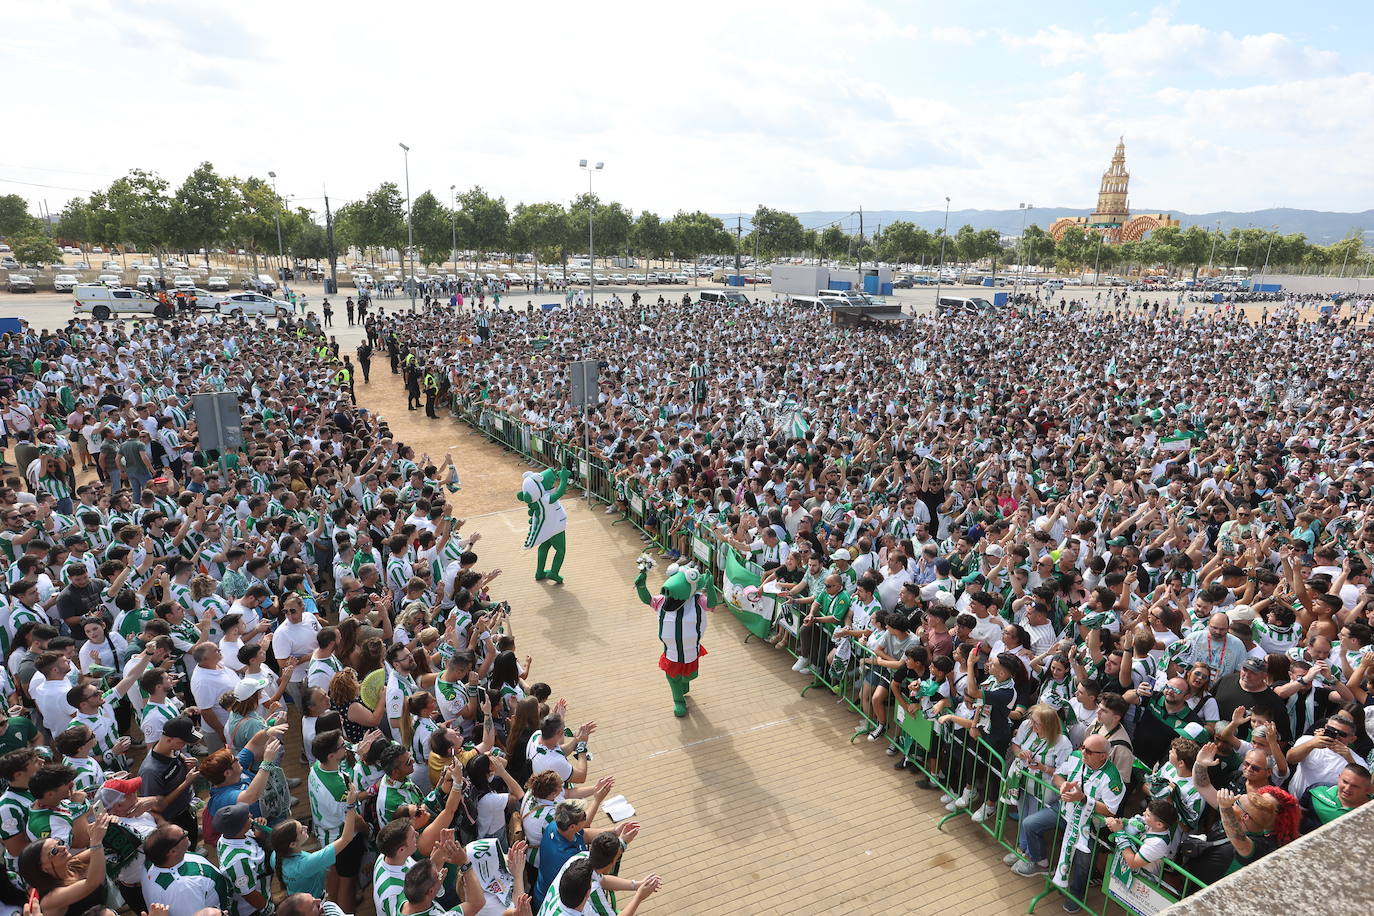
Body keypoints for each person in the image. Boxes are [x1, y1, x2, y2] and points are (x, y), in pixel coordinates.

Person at [1013, 734, 1126, 913]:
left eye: (1088, 751)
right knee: (1030, 824)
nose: (1083, 752)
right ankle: (1040, 861)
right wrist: (1063, 785)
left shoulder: (1112, 778)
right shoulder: (1075, 757)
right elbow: (1058, 775)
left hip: (1089, 825)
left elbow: (1111, 810)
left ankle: (1076, 894)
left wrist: (1082, 798)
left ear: (1103, 756)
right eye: (1083, 747)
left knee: (1083, 862)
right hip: (1064, 810)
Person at [17, 813, 111, 916]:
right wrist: (96, 841)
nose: (62, 848)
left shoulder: (72, 865)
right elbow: (93, 882)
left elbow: (100, 849)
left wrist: (107, 825)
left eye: (59, 843)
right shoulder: (50, 899)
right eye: (54, 851)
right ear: (43, 868)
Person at [141, 821, 235, 916]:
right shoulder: (184, 889)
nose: (187, 832)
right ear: (173, 851)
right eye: (183, 835)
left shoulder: (152, 863)